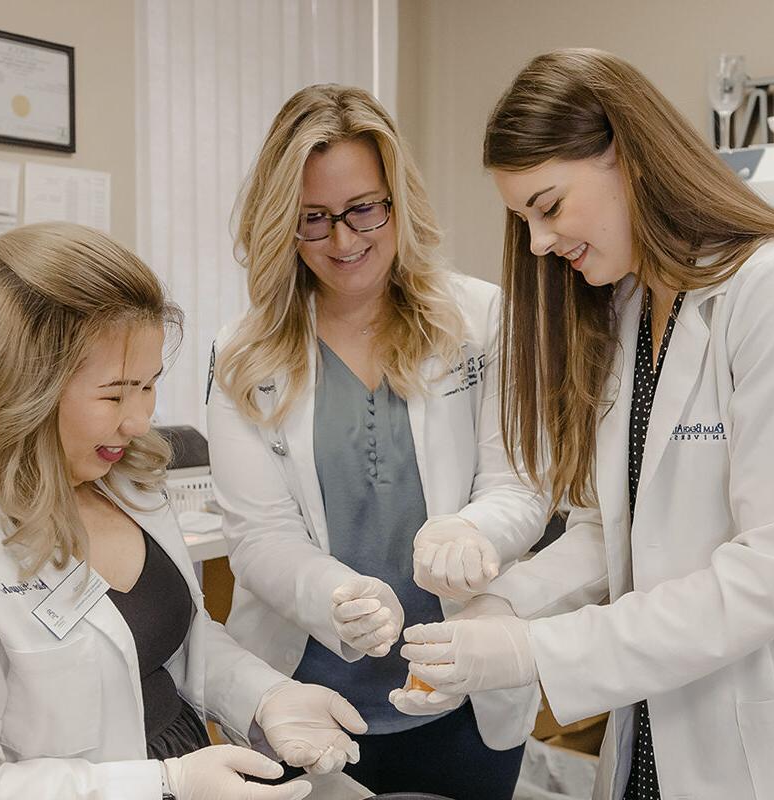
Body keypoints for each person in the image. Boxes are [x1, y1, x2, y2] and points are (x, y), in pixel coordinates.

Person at [401, 48, 774, 800]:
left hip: (748, 745)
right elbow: (605, 530)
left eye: (548, 207)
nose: (540, 244)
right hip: (648, 730)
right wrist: (497, 611)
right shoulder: (626, 310)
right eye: (524, 221)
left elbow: (772, 570)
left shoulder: (769, 291)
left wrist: (537, 649)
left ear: (628, 156)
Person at [0, 222, 369, 800]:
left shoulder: (124, 477)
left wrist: (265, 695)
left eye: (149, 386)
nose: (140, 420)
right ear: (19, 385)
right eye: (114, 393)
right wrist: (165, 784)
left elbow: (179, 637)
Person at [206, 84, 549, 799]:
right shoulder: (243, 352)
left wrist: (469, 530)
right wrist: (334, 594)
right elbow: (258, 535)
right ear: (281, 223)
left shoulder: (482, 318)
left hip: (460, 694)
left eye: (364, 208)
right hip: (306, 704)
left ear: (399, 200)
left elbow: (518, 484)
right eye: (314, 219)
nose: (344, 240)